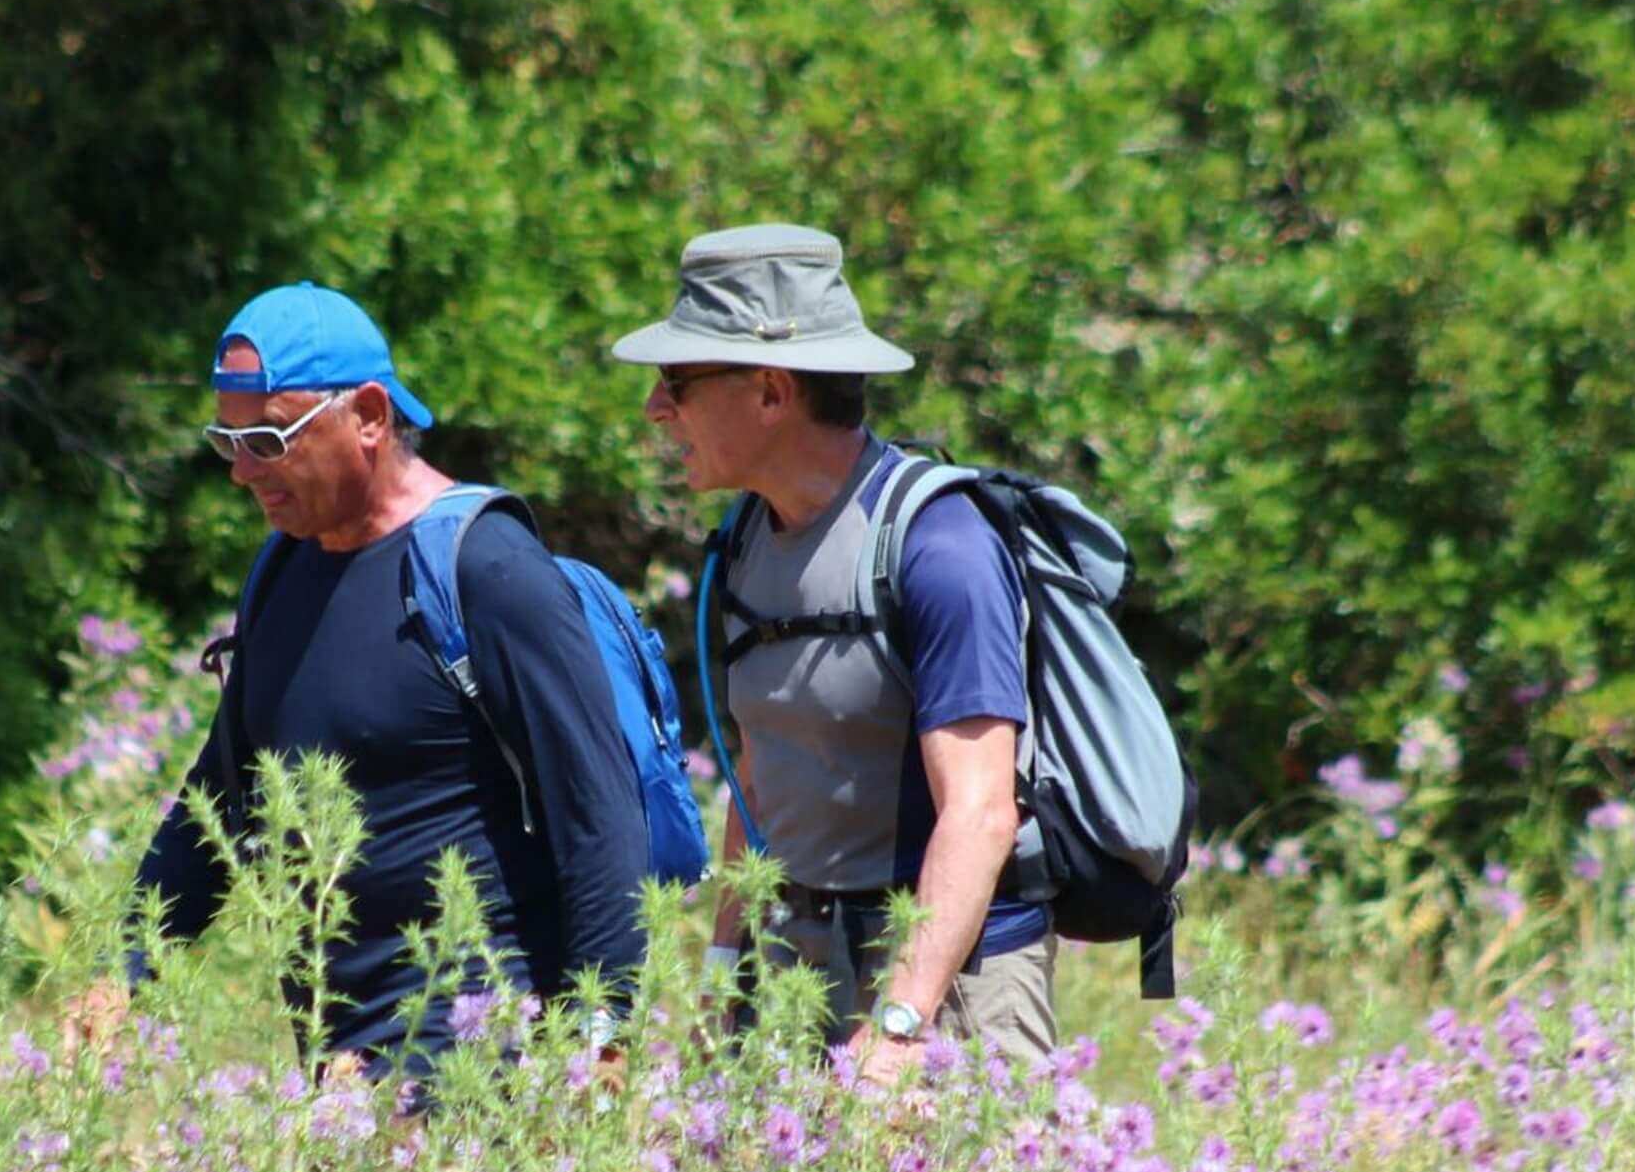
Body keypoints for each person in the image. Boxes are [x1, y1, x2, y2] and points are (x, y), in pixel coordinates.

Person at [98, 281, 649, 1079]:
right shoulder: (283, 568)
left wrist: (601, 1043)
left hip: (485, 1067)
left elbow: (598, 813)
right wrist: (129, 972)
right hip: (339, 1069)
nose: (242, 473)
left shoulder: (488, 570)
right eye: (229, 441)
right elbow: (220, 797)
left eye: (270, 441)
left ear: (368, 416)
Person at [612, 224, 1055, 1078]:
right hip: (789, 971)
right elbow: (761, 772)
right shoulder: (745, 540)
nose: (656, 410)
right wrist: (719, 977)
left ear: (772, 391)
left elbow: (981, 810)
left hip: (946, 984)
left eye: (677, 381)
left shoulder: (940, 546)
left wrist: (897, 1028)